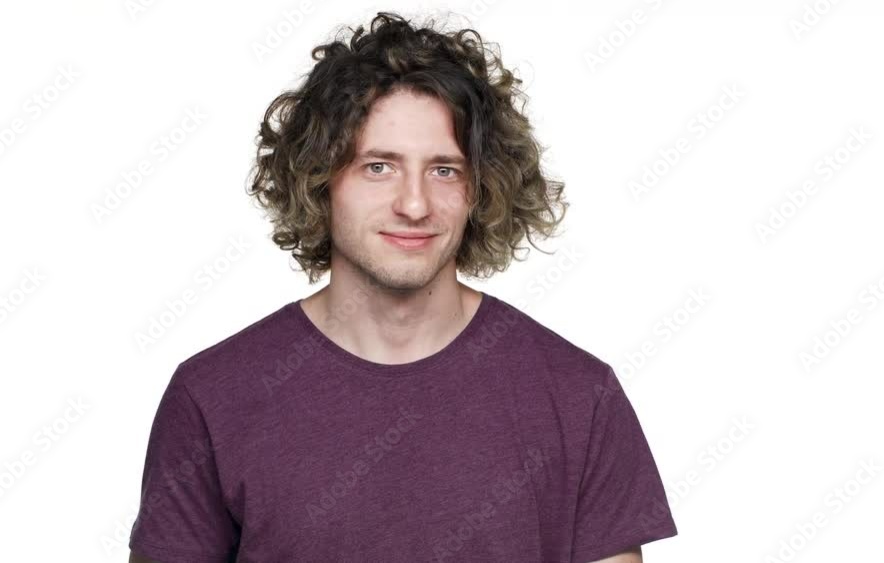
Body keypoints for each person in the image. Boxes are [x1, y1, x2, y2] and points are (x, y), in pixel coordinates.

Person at [129, 11, 677, 563]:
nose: (414, 205)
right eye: (378, 167)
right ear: (319, 180)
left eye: (444, 170)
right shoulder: (213, 397)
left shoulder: (579, 397)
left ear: (481, 189)